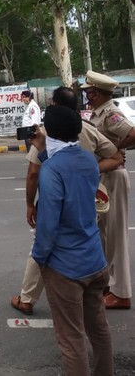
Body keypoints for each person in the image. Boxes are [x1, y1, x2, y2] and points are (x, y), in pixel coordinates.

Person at [10, 86, 124, 316]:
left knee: (41, 246)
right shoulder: (88, 130)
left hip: (55, 202)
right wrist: (88, 171)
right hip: (86, 202)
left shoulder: (48, 133)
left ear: (54, 105)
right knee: (90, 236)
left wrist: (30, 204)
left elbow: (33, 173)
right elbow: (116, 157)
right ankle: (90, 290)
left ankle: (27, 298)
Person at [32, 105, 112, 376]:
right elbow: (68, 174)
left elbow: (48, 224)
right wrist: (44, 152)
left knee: (72, 339)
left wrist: (40, 258)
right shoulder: (88, 160)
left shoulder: (51, 171)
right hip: (95, 261)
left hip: (66, 268)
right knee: (99, 330)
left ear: (49, 130)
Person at [82, 70, 135, 309]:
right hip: (104, 177)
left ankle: (122, 293)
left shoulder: (111, 113)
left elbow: (132, 133)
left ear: (98, 93)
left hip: (113, 177)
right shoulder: (99, 113)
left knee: (115, 237)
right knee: (103, 235)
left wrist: (116, 148)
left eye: (89, 92)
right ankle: (108, 285)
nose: (87, 97)